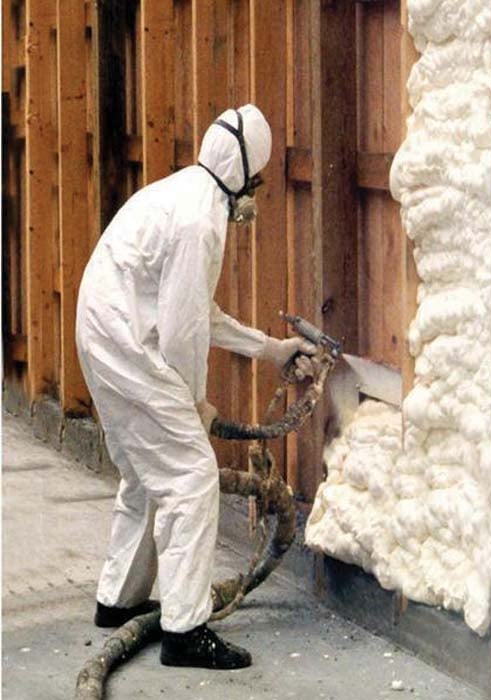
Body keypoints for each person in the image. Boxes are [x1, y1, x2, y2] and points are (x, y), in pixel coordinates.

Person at [76, 104, 314, 670]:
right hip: (126, 342)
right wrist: (196, 406)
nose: (256, 192)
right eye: (257, 180)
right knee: (192, 476)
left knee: (145, 470)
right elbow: (183, 333)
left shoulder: (187, 193)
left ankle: (119, 600)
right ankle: (185, 629)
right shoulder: (200, 221)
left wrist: (270, 349)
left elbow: (196, 311)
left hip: (104, 331)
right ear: (242, 173)